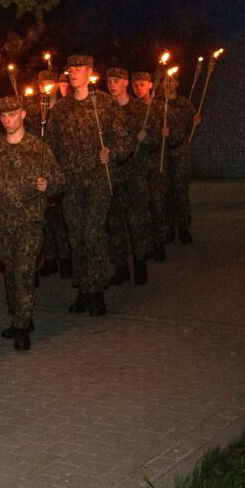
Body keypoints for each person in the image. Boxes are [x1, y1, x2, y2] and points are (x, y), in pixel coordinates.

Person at [45, 56, 130, 316]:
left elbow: (124, 141)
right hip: (70, 184)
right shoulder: (60, 109)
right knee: (76, 236)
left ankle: (96, 291)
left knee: (93, 233)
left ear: (90, 72)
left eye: (78, 69)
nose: (73, 73)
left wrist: (111, 152)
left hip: (97, 181)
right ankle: (83, 288)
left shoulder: (104, 104)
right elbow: (51, 147)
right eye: (70, 69)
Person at [0, 95, 64, 350]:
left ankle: (22, 325)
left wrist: (47, 184)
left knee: (24, 271)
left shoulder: (38, 147)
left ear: (23, 115)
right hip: (4, 221)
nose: (7, 120)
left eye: (12, 114)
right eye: (3, 116)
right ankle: (18, 314)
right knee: (9, 270)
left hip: (30, 220)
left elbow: (60, 180)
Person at [106, 67, 156, 285]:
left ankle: (140, 262)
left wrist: (145, 138)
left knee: (138, 221)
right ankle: (121, 266)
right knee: (115, 223)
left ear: (125, 83)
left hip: (135, 174)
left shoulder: (141, 109)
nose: (111, 85)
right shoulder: (104, 110)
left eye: (116, 81)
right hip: (113, 175)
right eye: (109, 81)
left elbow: (155, 142)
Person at [36, 70, 72, 279]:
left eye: (50, 84)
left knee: (62, 217)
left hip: (60, 167)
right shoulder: (33, 109)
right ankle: (50, 258)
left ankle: (66, 257)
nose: (46, 88)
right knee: (45, 217)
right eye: (43, 84)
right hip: (41, 168)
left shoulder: (65, 109)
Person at [131, 71, 168, 261]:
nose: (138, 88)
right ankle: (145, 244)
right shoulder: (132, 108)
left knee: (157, 204)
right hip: (139, 165)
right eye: (135, 85)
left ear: (150, 85)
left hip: (156, 162)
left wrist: (166, 133)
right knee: (141, 207)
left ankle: (159, 241)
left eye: (142, 85)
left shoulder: (160, 107)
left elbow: (175, 133)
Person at [157, 73, 198, 244]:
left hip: (181, 152)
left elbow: (190, 127)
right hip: (163, 153)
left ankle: (183, 227)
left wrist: (195, 122)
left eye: (171, 81)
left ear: (177, 83)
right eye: (165, 81)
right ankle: (167, 229)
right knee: (164, 192)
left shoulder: (185, 104)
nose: (168, 84)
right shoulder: (157, 104)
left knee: (180, 191)